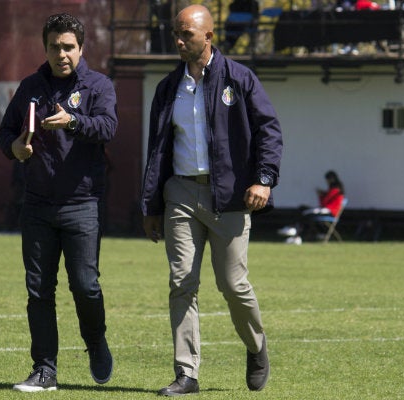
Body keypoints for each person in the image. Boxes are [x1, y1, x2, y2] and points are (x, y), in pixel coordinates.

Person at [141, 4, 283, 396]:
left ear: (209, 36)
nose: (179, 40)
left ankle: (256, 346)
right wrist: (152, 206)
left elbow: (269, 131)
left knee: (233, 284)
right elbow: (156, 151)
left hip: (231, 197)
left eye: (187, 33)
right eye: (177, 33)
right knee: (182, 282)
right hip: (181, 194)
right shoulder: (168, 88)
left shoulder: (239, 78)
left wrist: (264, 180)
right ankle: (187, 373)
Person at [0, 13, 117, 393]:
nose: (61, 53)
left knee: (85, 286)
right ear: (45, 47)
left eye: (68, 47)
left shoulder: (99, 85)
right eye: (54, 46)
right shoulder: (30, 87)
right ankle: (44, 370)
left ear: (81, 49)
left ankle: (96, 343)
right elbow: (5, 132)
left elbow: (108, 127)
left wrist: (73, 121)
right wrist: (14, 147)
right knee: (38, 291)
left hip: (82, 204)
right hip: (36, 205)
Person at [278, 170, 345, 244]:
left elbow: (323, 203)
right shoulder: (337, 189)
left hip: (329, 212)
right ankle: (295, 231)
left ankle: (296, 233)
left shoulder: (335, 190)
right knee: (303, 209)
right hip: (327, 211)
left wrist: (320, 195)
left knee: (305, 213)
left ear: (331, 179)